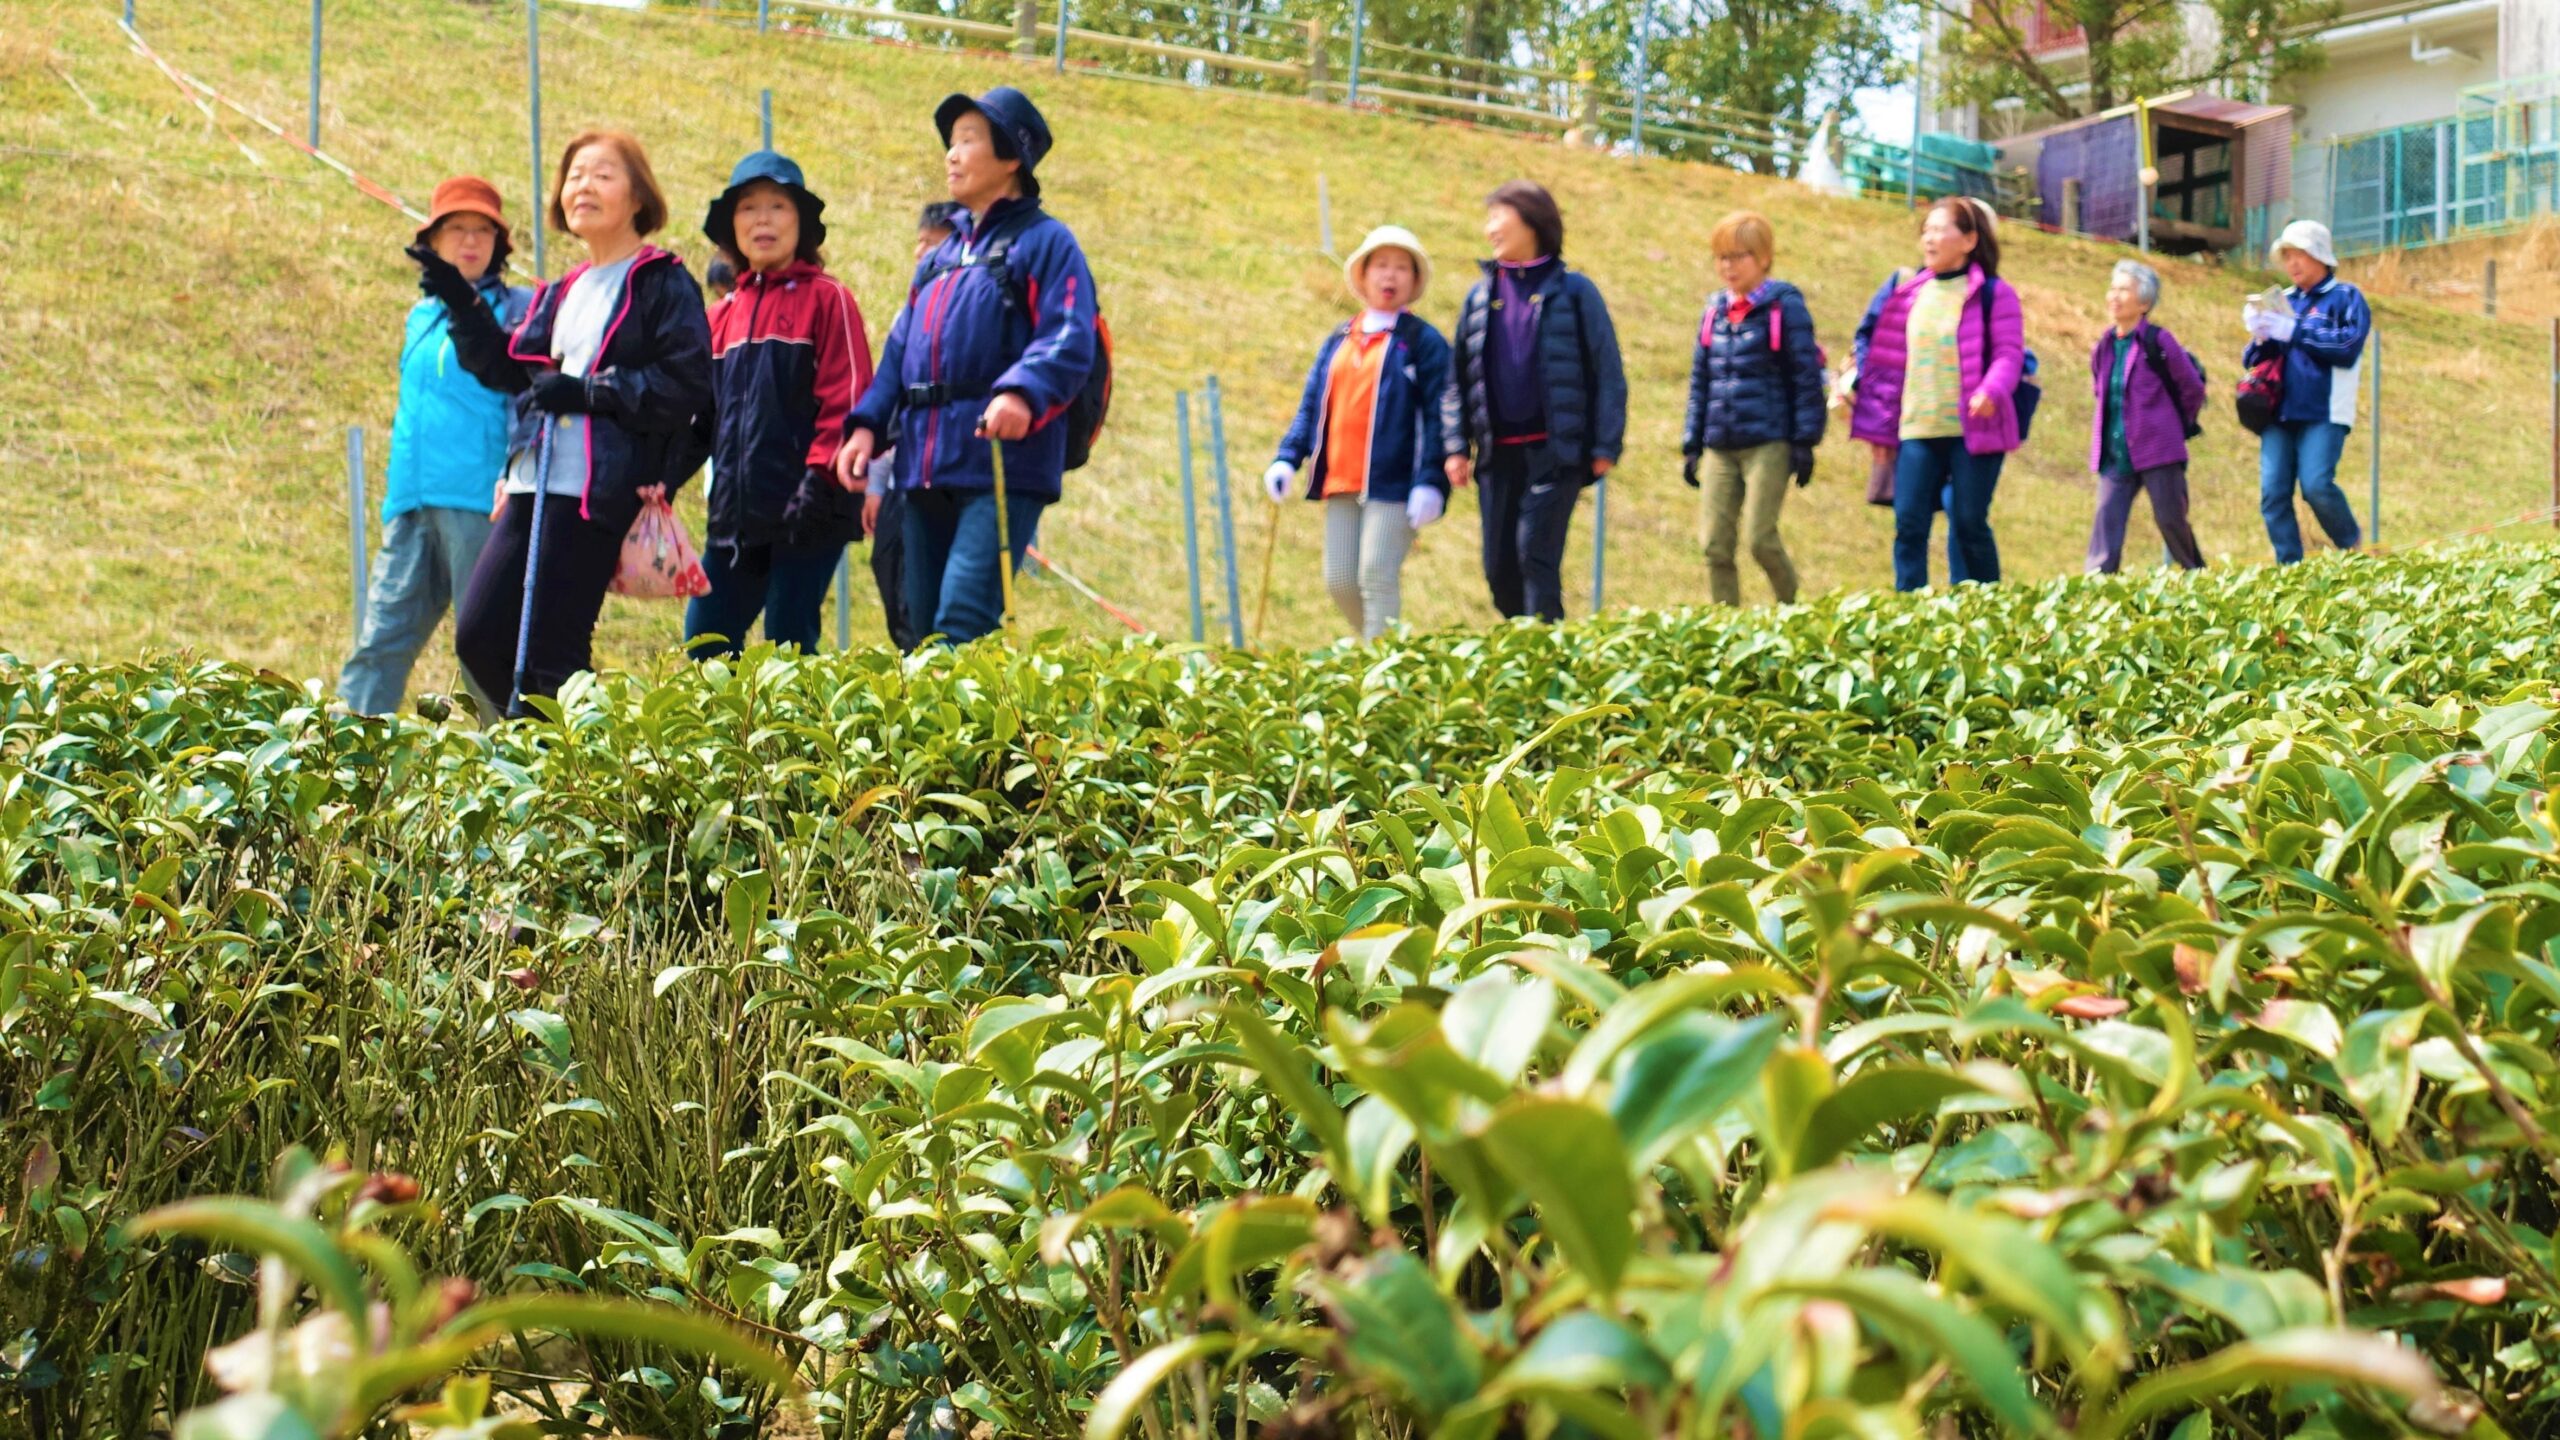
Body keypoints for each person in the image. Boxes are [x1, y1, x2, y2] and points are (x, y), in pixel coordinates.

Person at [416, 129, 713, 715]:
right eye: (574, 175)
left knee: (552, 649)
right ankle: (555, 752)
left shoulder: (661, 280)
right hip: (531, 482)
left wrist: (591, 393)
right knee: (479, 636)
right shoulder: (563, 289)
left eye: (603, 175)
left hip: (593, 492)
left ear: (637, 196)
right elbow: (511, 369)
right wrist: (460, 301)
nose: (583, 186)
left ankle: (570, 774)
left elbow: (686, 385)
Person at [837, 87, 1098, 646]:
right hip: (923, 468)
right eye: (951, 143)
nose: (952, 155)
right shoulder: (937, 259)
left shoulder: (1048, 243)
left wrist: (1022, 394)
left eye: (969, 141)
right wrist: (865, 427)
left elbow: (1070, 338)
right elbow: (898, 356)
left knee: (962, 622)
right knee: (922, 632)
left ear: (1012, 158)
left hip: (1003, 466)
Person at [341, 176, 531, 717]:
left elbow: (523, 403)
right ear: (433, 241)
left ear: (499, 244)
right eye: (456, 230)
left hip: (481, 505)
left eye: (482, 231)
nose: (470, 241)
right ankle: (343, 767)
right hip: (411, 504)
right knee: (379, 642)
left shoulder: (516, 313)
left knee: (485, 652)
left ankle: (510, 779)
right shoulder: (420, 317)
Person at [684, 151, 873, 658]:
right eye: (747, 208)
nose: (762, 219)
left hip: (809, 511)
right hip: (733, 519)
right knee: (705, 644)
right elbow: (699, 420)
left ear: (802, 223)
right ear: (731, 228)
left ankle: (798, 741)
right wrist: (656, 477)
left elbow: (849, 401)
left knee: (789, 646)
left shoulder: (829, 299)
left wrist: (818, 484)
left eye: (778, 206)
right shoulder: (719, 317)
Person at [1441, 180, 1626, 622]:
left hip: (1555, 453)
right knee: (1497, 568)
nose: (1490, 230)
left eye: (1497, 217)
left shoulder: (1576, 291)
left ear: (1531, 220)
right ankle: (1524, 652)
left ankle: (1546, 658)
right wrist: (1453, 445)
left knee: (1534, 557)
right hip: (1496, 455)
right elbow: (1457, 379)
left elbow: (1608, 371)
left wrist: (1605, 446)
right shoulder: (1479, 295)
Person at [1262, 225, 1452, 640]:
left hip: (1396, 483)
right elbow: (1313, 403)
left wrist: (1431, 481)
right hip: (1341, 478)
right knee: (1341, 581)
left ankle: (1379, 679)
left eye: (1402, 268)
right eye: (1381, 265)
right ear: (1363, 276)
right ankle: (1382, 655)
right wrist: (1287, 457)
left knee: (1375, 575)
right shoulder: (1339, 338)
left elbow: (1443, 416)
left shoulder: (1424, 343)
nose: (1390, 276)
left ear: (1415, 280)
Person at [1849, 195, 2027, 591]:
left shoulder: (1994, 293)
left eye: (1940, 230)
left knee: (1967, 521)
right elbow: (1874, 344)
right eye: (1925, 230)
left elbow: (2009, 354)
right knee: (1908, 522)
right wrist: (1866, 392)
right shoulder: (1907, 291)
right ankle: (1910, 611)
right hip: (1917, 427)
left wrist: (1991, 390)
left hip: (1974, 429)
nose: (1929, 239)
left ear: (1968, 240)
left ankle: (1983, 605)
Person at [1679, 210, 1822, 607]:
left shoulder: (1784, 308)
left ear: (1762, 257)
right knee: (1714, 545)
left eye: (1738, 256)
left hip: (1768, 443)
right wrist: (1692, 443)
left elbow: (1805, 376)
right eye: (1722, 257)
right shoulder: (1713, 313)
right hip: (1719, 444)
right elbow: (1699, 382)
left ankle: (1796, 614)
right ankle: (1726, 628)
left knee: (1760, 539)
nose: (1728, 266)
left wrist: (1805, 440)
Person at [866, 201, 963, 652]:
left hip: (953, 471)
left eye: (933, 243)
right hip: (905, 472)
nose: (922, 254)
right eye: (919, 244)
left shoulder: (968, 303)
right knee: (894, 578)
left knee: (949, 606)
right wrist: (876, 477)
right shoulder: (912, 309)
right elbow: (890, 394)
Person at [2246, 219, 2368, 564]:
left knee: (2316, 485)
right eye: (2287, 256)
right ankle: (2290, 566)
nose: (2292, 264)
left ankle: (2353, 548)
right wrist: (2259, 335)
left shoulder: (2346, 297)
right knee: (2273, 493)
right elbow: (2254, 360)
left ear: (2321, 256)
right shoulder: (2280, 300)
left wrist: (2293, 330)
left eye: (2300, 254)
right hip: (2278, 412)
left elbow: (2347, 347)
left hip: (2324, 411)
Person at [2086, 259, 2206, 575]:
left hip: (2158, 449)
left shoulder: (2159, 341)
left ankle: (2198, 576)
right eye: (2112, 288)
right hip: (2115, 451)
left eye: (2124, 290)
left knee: (2170, 518)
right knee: (2106, 518)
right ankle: (2096, 585)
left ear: (2144, 302)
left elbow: (2192, 387)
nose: (2114, 296)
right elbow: (2101, 391)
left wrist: (2173, 426)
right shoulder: (2104, 345)